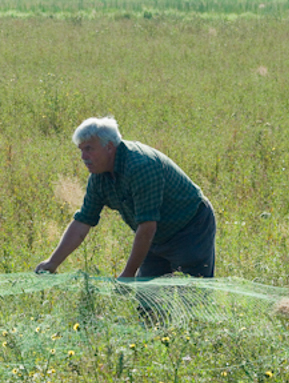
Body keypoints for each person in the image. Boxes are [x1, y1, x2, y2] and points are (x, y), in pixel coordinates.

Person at [35, 116, 216, 280]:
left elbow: (147, 227)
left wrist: (128, 274)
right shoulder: (98, 177)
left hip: (190, 228)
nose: (83, 157)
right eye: (81, 150)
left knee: (193, 295)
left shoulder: (141, 167)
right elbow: (83, 221)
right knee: (149, 303)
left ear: (109, 147)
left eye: (89, 149)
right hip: (155, 237)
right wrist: (52, 263)